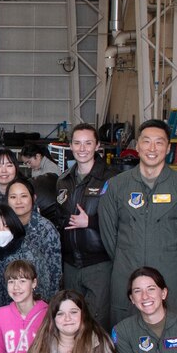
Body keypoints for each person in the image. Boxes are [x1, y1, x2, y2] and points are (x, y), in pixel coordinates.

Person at [97, 120, 177, 317]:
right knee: (124, 333)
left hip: (168, 274)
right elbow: (107, 231)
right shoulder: (116, 186)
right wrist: (125, 257)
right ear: (137, 146)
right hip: (126, 273)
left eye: (159, 142)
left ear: (168, 147)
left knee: (169, 335)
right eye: (146, 142)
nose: (152, 148)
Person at [48, 122, 114, 324]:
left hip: (99, 263)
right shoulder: (63, 180)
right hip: (71, 265)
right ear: (71, 146)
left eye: (88, 143)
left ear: (97, 146)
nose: (82, 148)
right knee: (72, 321)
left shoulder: (112, 179)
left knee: (96, 321)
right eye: (77, 143)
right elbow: (61, 218)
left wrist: (92, 221)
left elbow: (122, 220)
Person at [3, 179, 60, 300]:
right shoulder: (2, 227)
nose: (18, 202)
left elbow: (54, 272)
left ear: (33, 198)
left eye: (24, 196)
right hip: (8, 297)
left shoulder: (46, 229)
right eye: (13, 197)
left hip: (38, 298)